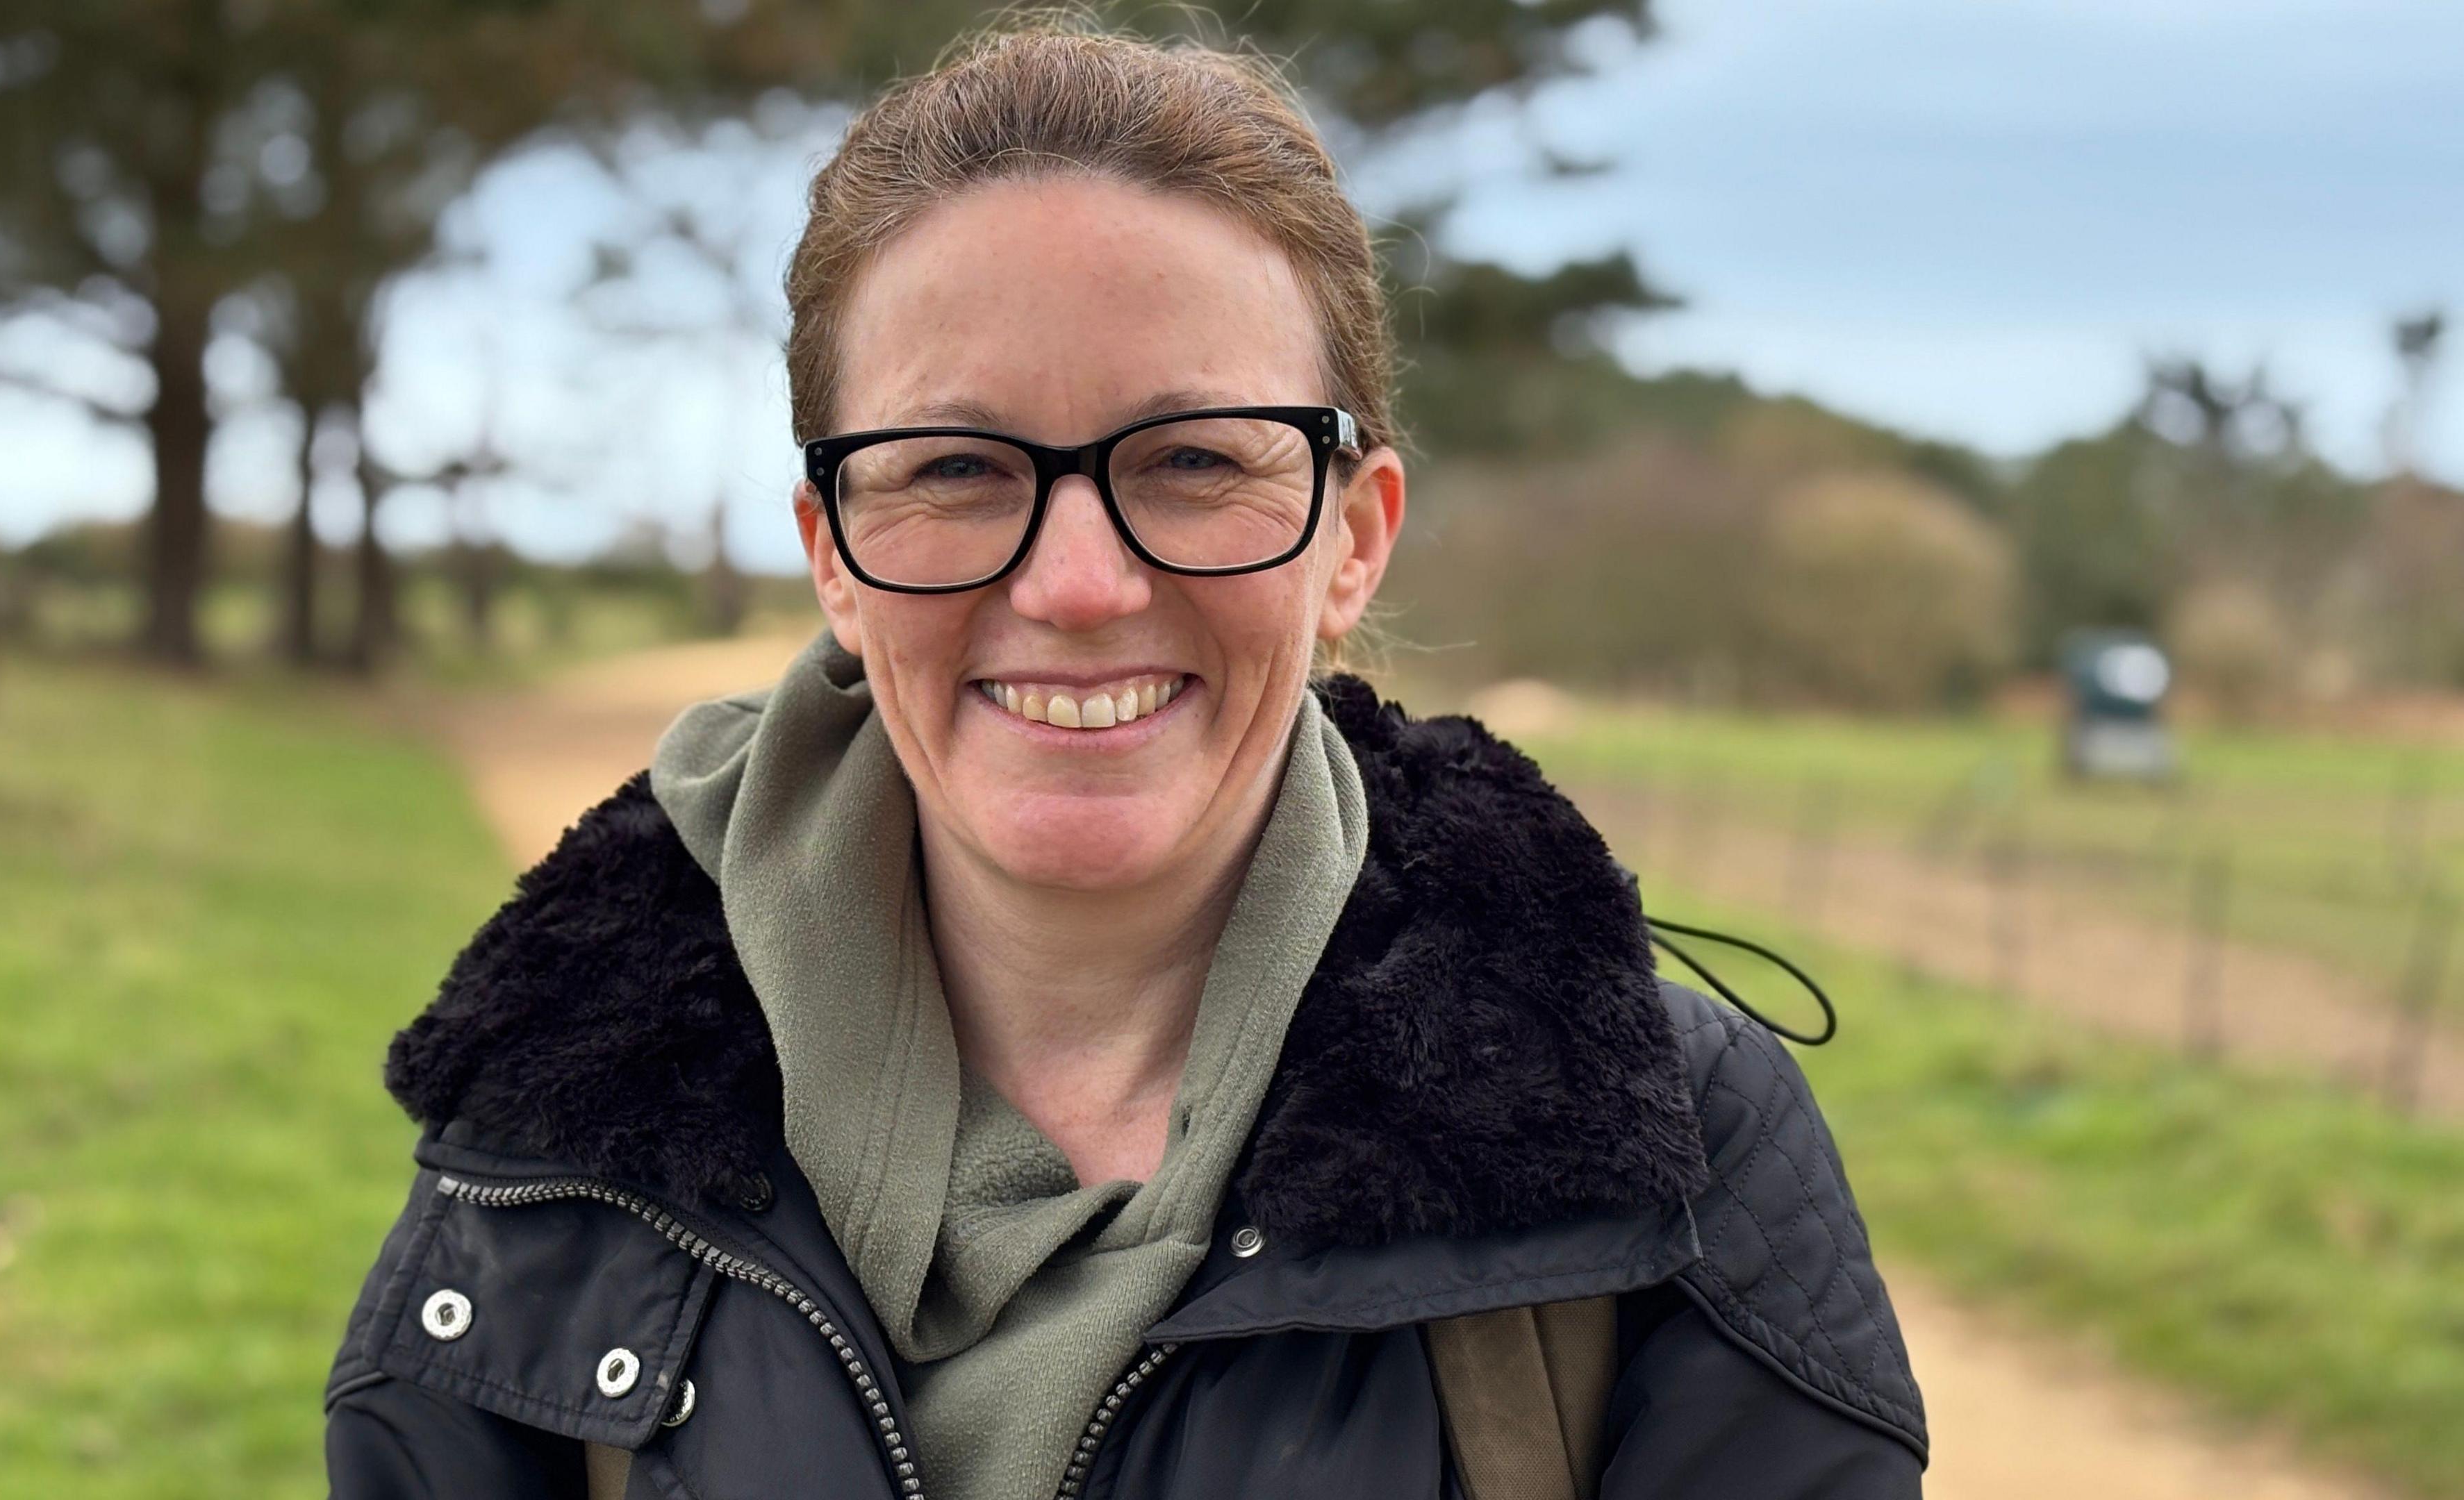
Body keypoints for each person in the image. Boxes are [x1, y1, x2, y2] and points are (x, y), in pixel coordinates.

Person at [322, 23, 1925, 1500]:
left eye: (1193, 462)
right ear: (834, 551)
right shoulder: (547, 1135)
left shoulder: (1671, 1158)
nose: (1077, 586)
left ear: (1351, 541)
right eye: (953, 465)